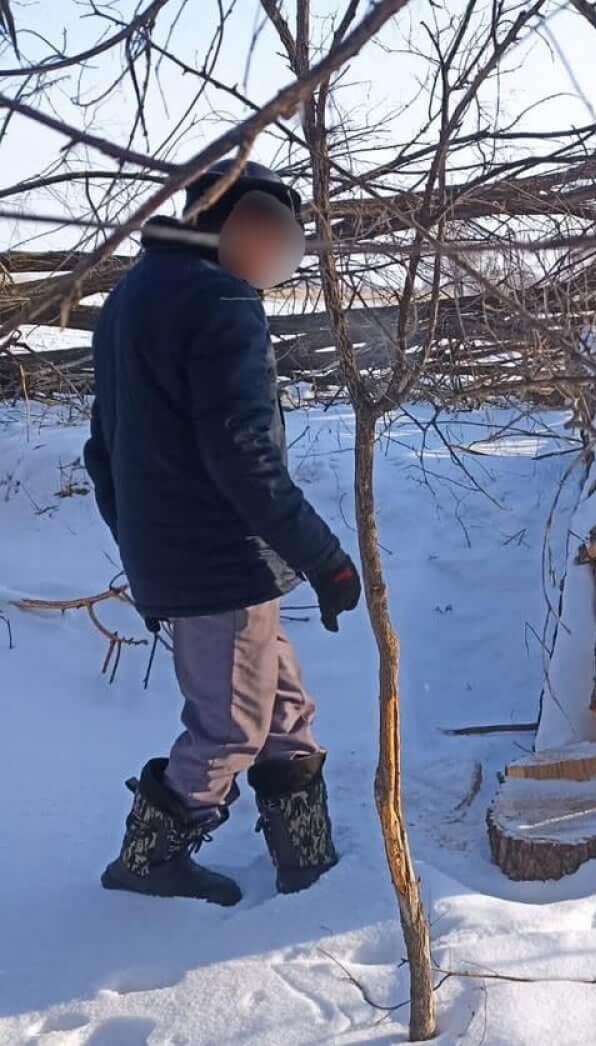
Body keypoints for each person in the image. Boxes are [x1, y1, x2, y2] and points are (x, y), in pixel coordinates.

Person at [83, 159, 361, 906]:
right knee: (231, 727)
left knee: (284, 707)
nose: (280, 254)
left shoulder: (132, 297)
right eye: (269, 232)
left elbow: (102, 452)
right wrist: (327, 560)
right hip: (221, 561)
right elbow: (246, 459)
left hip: (189, 559)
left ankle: (307, 857)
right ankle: (147, 862)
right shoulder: (220, 303)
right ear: (224, 225)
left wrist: (142, 561)